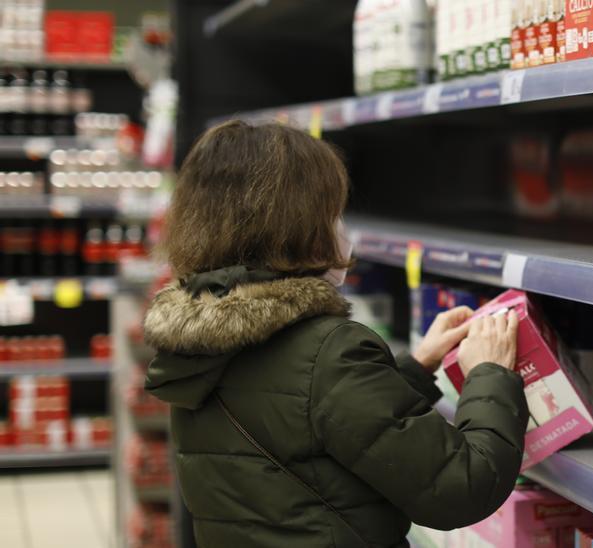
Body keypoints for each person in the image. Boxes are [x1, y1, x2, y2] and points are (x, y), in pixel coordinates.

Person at [143, 121, 529, 547]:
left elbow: (297, 419)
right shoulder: (329, 350)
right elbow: (462, 487)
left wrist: (417, 368)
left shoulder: (197, 345)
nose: (341, 230)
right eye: (332, 213)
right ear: (296, 227)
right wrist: (490, 373)